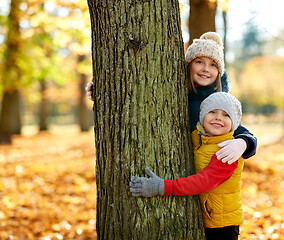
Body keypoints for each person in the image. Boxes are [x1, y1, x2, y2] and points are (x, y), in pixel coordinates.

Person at [86, 32, 257, 163]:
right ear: (188, 65)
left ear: (219, 73)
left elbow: (242, 131)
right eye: (199, 62)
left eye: (213, 65)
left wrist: (242, 143)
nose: (206, 69)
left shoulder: (218, 102)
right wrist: (103, 87)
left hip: (209, 171)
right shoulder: (174, 89)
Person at [130, 92, 245, 240]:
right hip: (207, 217)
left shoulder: (228, 151)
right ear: (202, 115)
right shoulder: (197, 138)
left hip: (223, 225)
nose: (218, 117)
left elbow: (204, 182)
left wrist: (162, 187)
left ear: (234, 123)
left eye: (226, 115)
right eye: (212, 111)